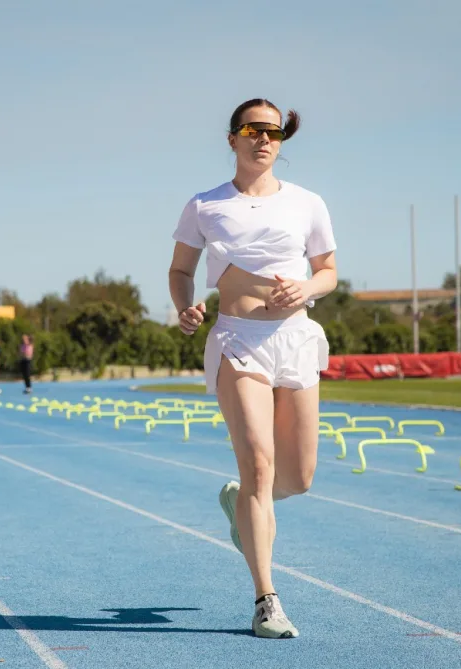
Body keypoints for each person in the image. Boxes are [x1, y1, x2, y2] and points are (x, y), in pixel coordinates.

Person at [168, 99, 337, 638]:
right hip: (239, 340)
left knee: (300, 479)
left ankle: (238, 502)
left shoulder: (308, 203)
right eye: (251, 129)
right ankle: (267, 599)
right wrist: (185, 307)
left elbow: (329, 271)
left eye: (274, 131)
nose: (263, 139)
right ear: (232, 138)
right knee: (260, 467)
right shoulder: (205, 205)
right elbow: (180, 269)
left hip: (296, 339)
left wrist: (307, 287)